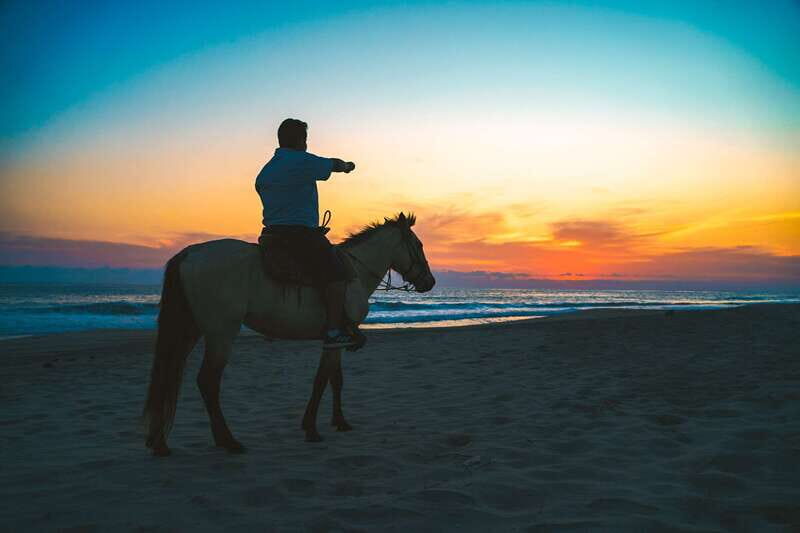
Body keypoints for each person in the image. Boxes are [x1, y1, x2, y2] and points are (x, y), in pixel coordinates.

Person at [255, 118, 359, 349]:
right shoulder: (302, 161)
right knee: (338, 276)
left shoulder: (265, 171)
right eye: (305, 139)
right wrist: (347, 166)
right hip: (300, 236)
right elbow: (332, 164)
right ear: (301, 140)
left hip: (270, 236)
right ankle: (333, 332)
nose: (306, 144)